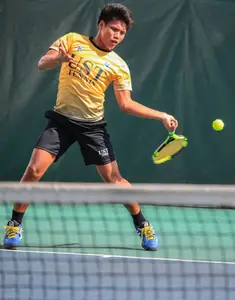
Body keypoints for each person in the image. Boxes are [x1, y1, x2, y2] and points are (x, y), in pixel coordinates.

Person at [3, 3, 178, 251]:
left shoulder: (118, 65)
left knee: (114, 180)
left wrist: (161, 115)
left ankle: (142, 224)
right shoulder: (72, 41)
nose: (117, 36)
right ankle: (14, 223)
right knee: (33, 170)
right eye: (114, 29)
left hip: (92, 127)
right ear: (101, 25)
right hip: (61, 121)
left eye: (122, 33)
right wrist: (59, 58)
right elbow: (42, 63)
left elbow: (126, 104)